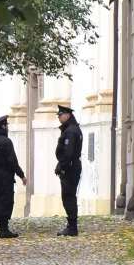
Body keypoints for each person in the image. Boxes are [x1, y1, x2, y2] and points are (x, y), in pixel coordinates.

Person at [54, 101, 83, 237]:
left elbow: (68, 153)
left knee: (68, 196)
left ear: (67, 115)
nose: (59, 117)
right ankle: (72, 225)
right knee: (69, 196)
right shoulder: (72, 129)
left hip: (70, 167)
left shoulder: (71, 131)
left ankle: (72, 227)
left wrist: (61, 166)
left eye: (60, 115)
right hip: (72, 165)